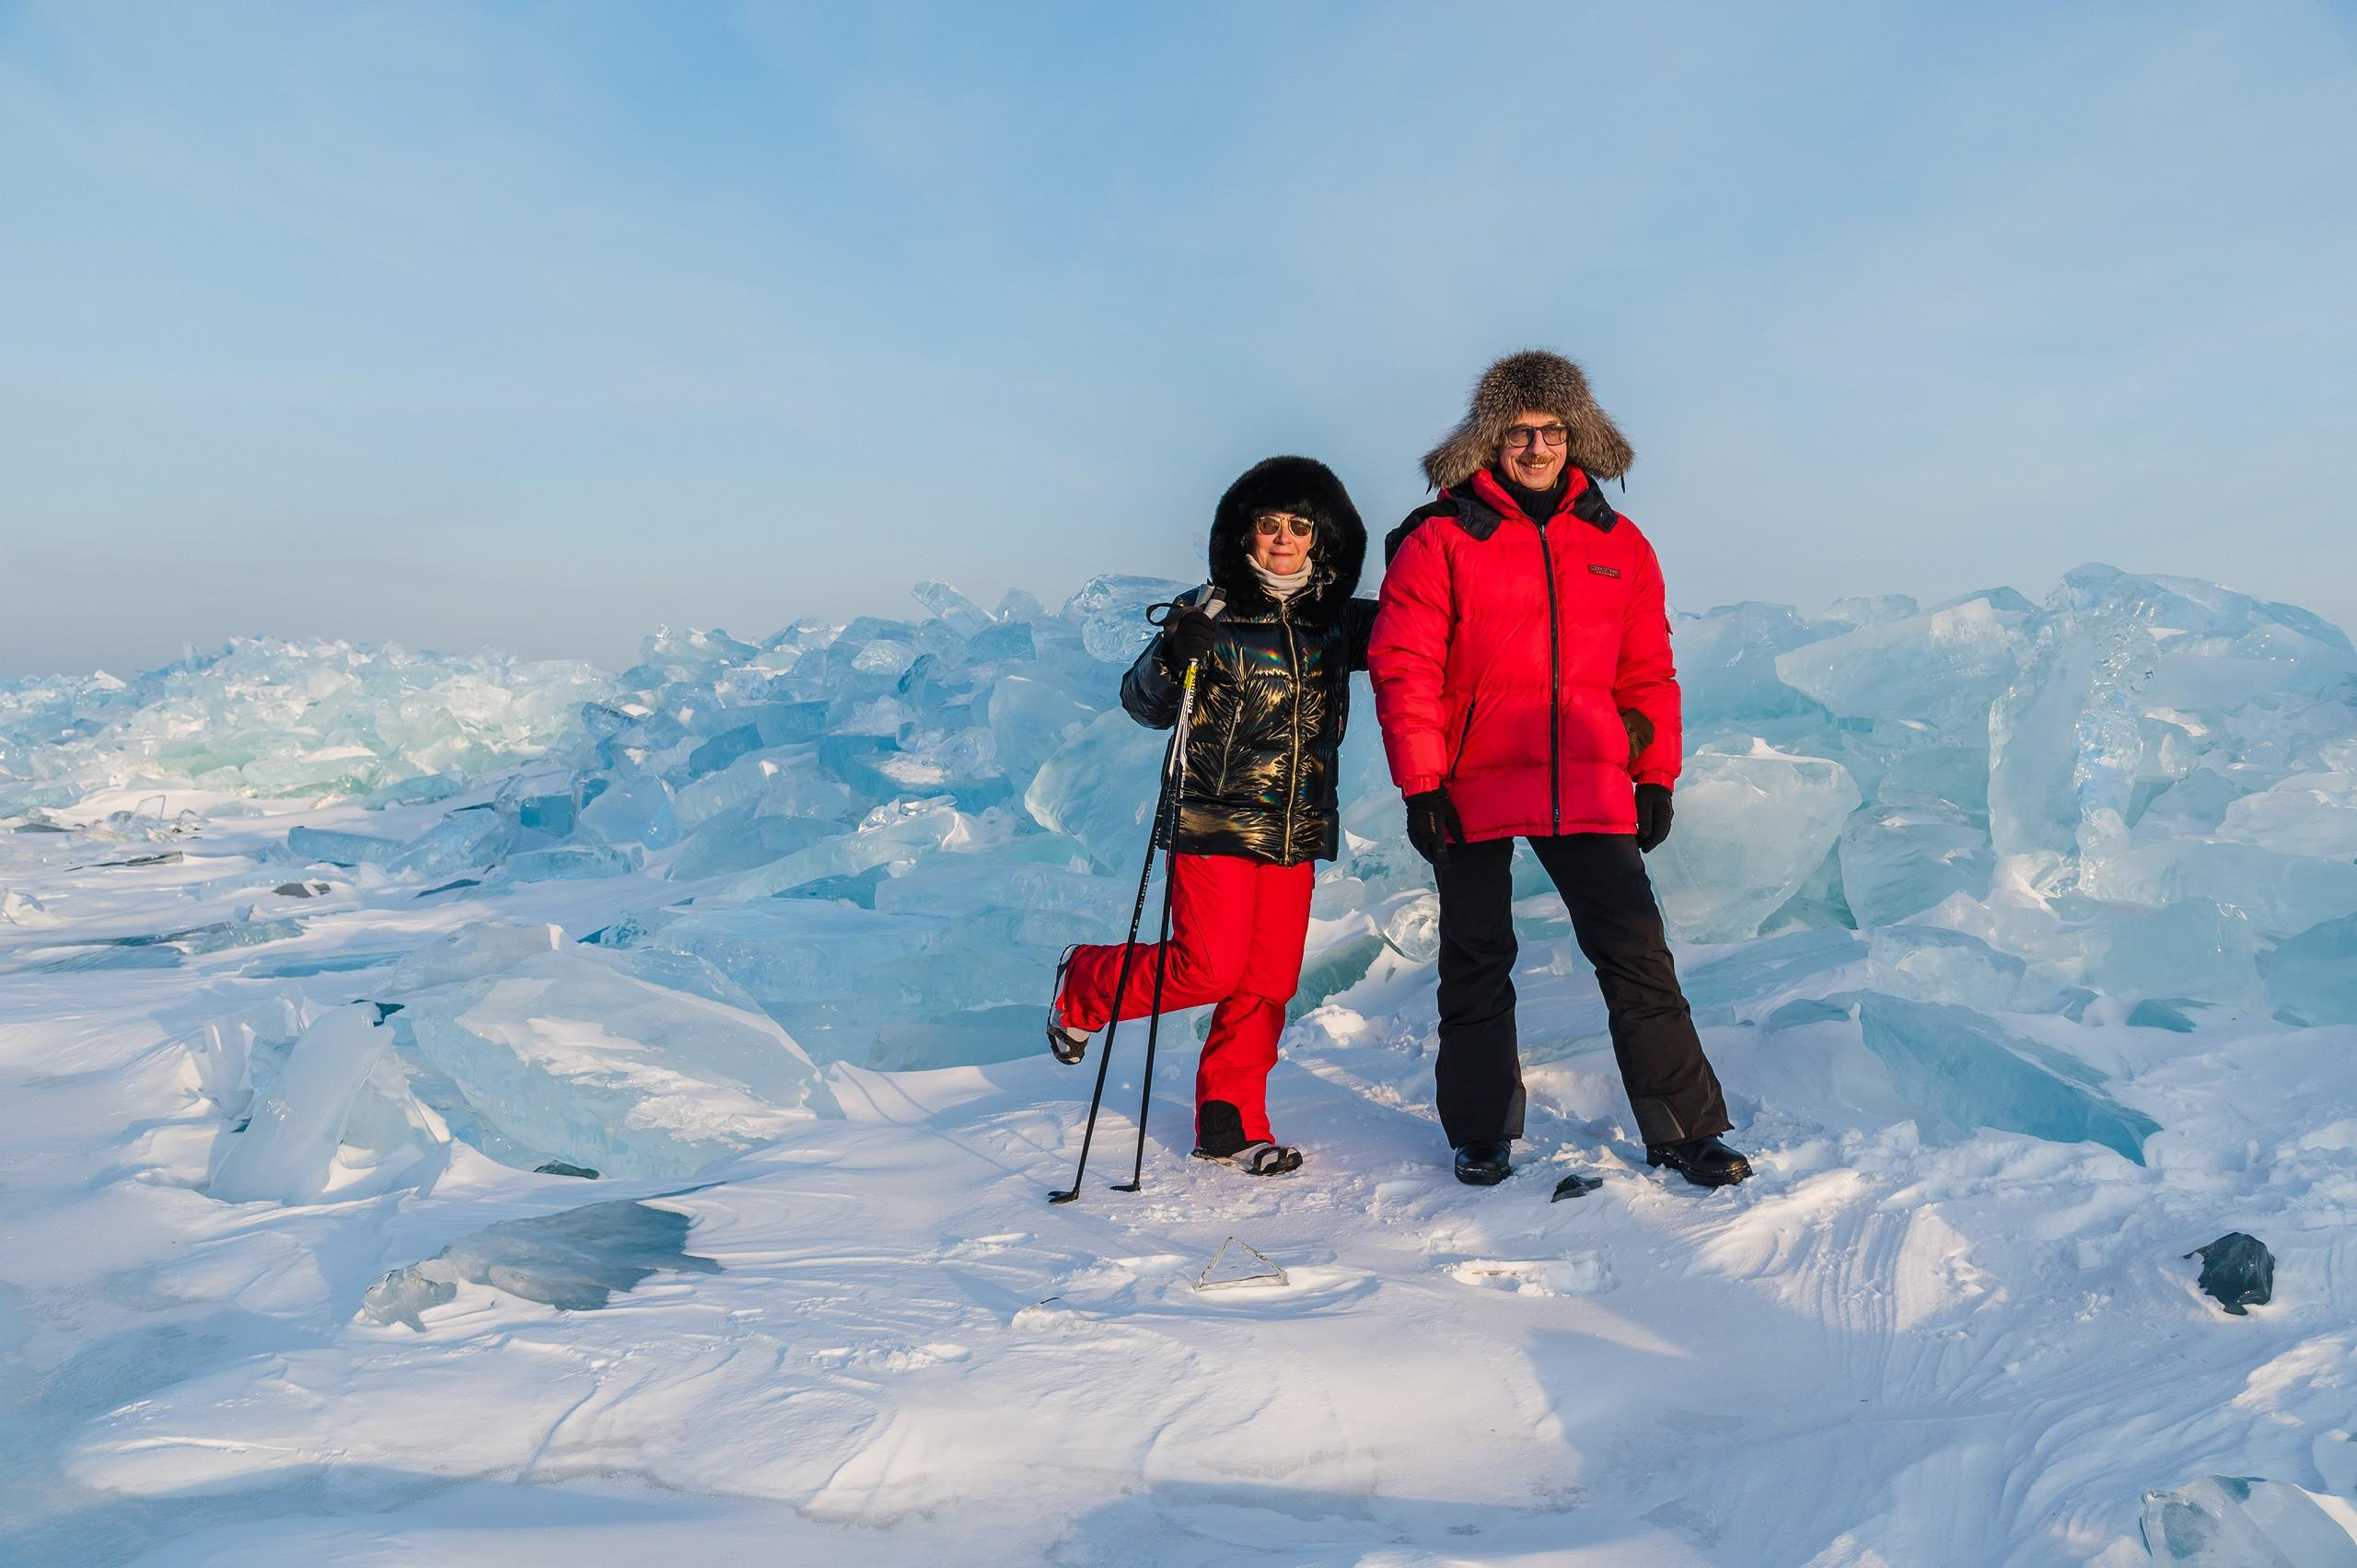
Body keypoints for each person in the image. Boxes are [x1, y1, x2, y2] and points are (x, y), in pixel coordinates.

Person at [1367, 351, 1752, 1190]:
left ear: (1576, 436)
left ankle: (1687, 1131)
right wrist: (1422, 784)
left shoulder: (1620, 543)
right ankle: (1480, 1135)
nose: (1536, 447)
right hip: (1472, 778)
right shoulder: (1442, 538)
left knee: (1637, 955)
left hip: (1586, 779)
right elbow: (1405, 666)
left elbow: (1647, 670)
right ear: (1491, 442)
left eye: (1550, 431)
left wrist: (1653, 775)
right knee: (1477, 957)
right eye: (1518, 432)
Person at [1046, 456, 1376, 1178]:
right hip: (1215, 819)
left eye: (1299, 526)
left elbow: (1426, 621)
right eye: (1269, 525)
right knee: (1208, 967)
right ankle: (1084, 982)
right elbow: (1144, 703)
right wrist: (1171, 652)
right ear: (1245, 532)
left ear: (1324, 537)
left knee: (1268, 981)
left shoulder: (1337, 621)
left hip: (1296, 824)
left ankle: (1230, 1121)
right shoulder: (1211, 609)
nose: (1284, 539)